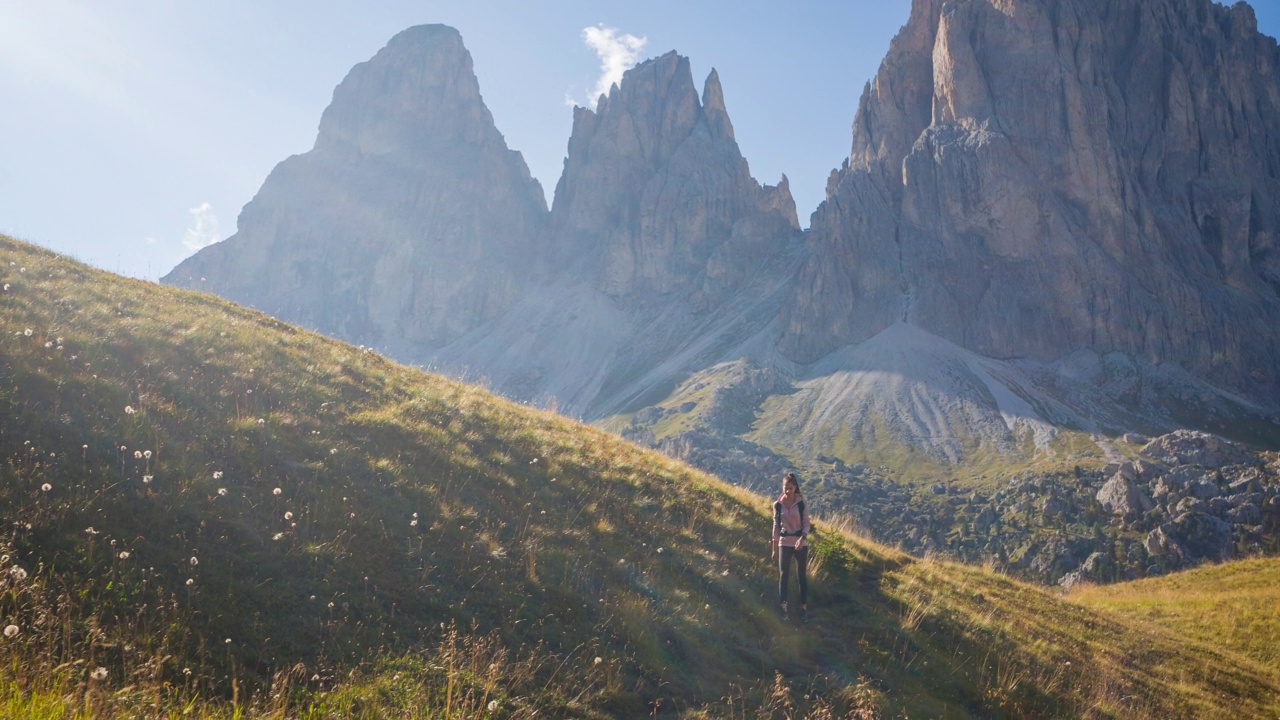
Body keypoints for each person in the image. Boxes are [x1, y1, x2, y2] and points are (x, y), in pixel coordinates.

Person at [772, 471, 810, 622]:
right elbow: (775, 525)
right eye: (785, 488)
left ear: (795, 488)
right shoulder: (777, 505)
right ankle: (783, 609)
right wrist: (774, 548)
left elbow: (807, 523)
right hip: (784, 542)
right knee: (783, 575)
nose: (787, 491)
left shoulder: (801, 504)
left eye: (790, 488)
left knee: (801, 576)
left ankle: (803, 608)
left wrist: (802, 538)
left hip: (800, 542)